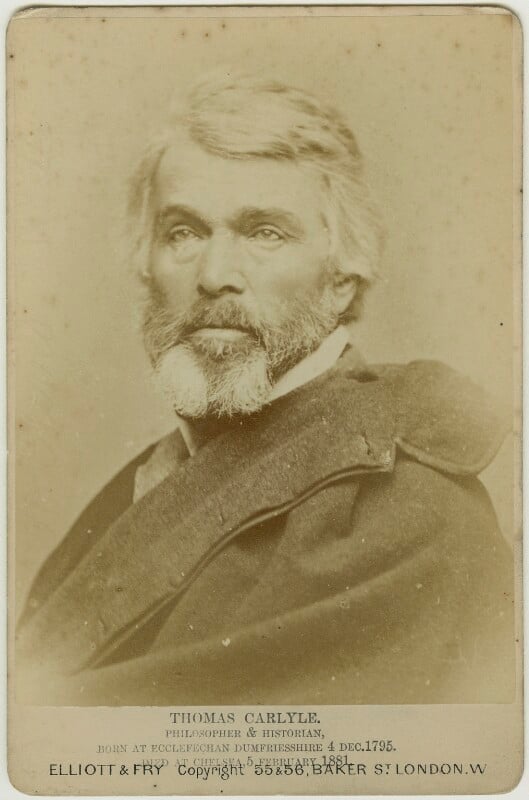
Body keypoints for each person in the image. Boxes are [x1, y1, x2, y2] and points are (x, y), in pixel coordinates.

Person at [16, 75, 514, 706]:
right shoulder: (145, 484)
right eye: (184, 233)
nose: (215, 275)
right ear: (146, 265)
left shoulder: (418, 518)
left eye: (265, 234)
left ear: (342, 276)